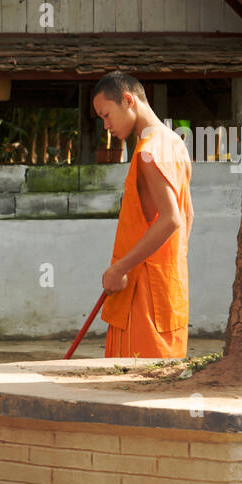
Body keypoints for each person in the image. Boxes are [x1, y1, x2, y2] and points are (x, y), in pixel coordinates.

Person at [92, 71, 194, 359]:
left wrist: (120, 268)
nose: (106, 125)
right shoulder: (176, 144)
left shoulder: (149, 151)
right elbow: (188, 214)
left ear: (128, 100)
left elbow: (171, 218)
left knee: (131, 384)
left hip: (143, 290)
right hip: (169, 286)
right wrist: (173, 265)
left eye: (107, 115)